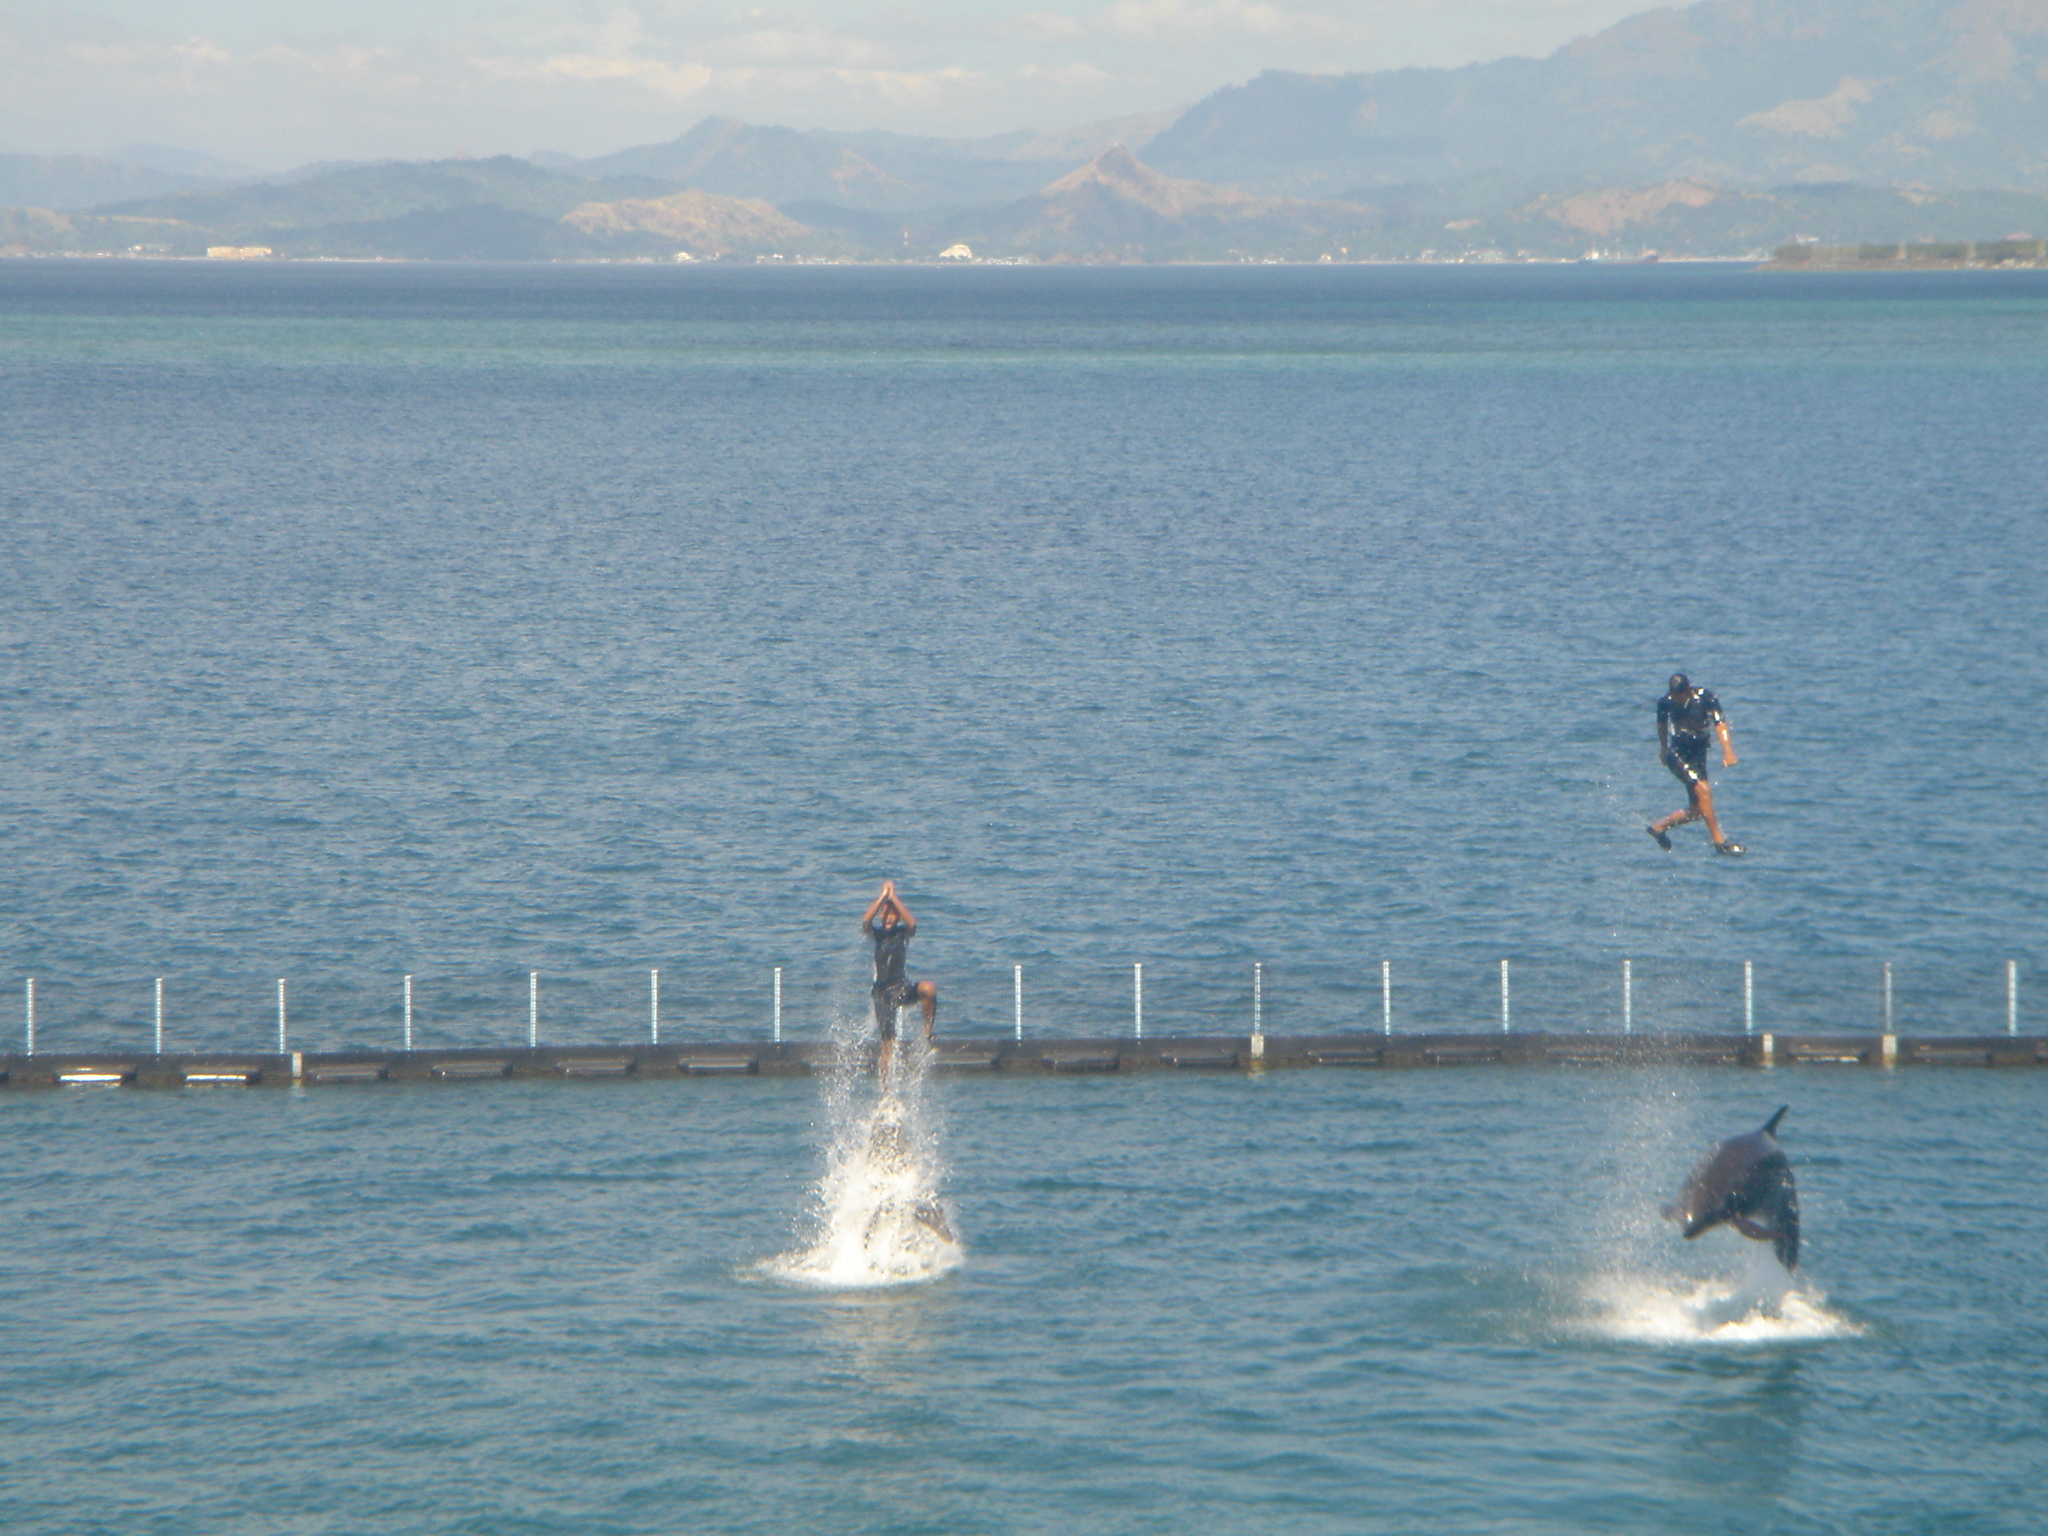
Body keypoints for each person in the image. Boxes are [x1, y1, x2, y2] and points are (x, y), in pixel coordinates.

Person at [1648, 673, 1744, 855]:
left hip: (1698, 754)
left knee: (1700, 809)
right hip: (1677, 755)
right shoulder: (1666, 702)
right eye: (1675, 695)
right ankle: (1719, 842)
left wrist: (1728, 751)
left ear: (1689, 689)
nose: (1678, 699)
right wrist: (1663, 748)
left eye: (1681, 695)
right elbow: (1661, 724)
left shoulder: (1706, 698)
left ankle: (1659, 827)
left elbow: (1720, 723)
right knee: (1704, 791)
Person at [862, 879, 937, 1077]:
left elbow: (912, 922)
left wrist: (893, 896)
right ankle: (887, 1094)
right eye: (885, 913)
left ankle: (927, 1031)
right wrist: (882, 897)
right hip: (882, 994)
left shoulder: (903, 933)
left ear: (897, 917)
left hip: (901, 987)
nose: (889, 917)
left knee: (928, 988)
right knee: (888, 1044)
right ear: (881, 915)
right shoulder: (876, 935)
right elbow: (865, 921)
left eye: (893, 913)